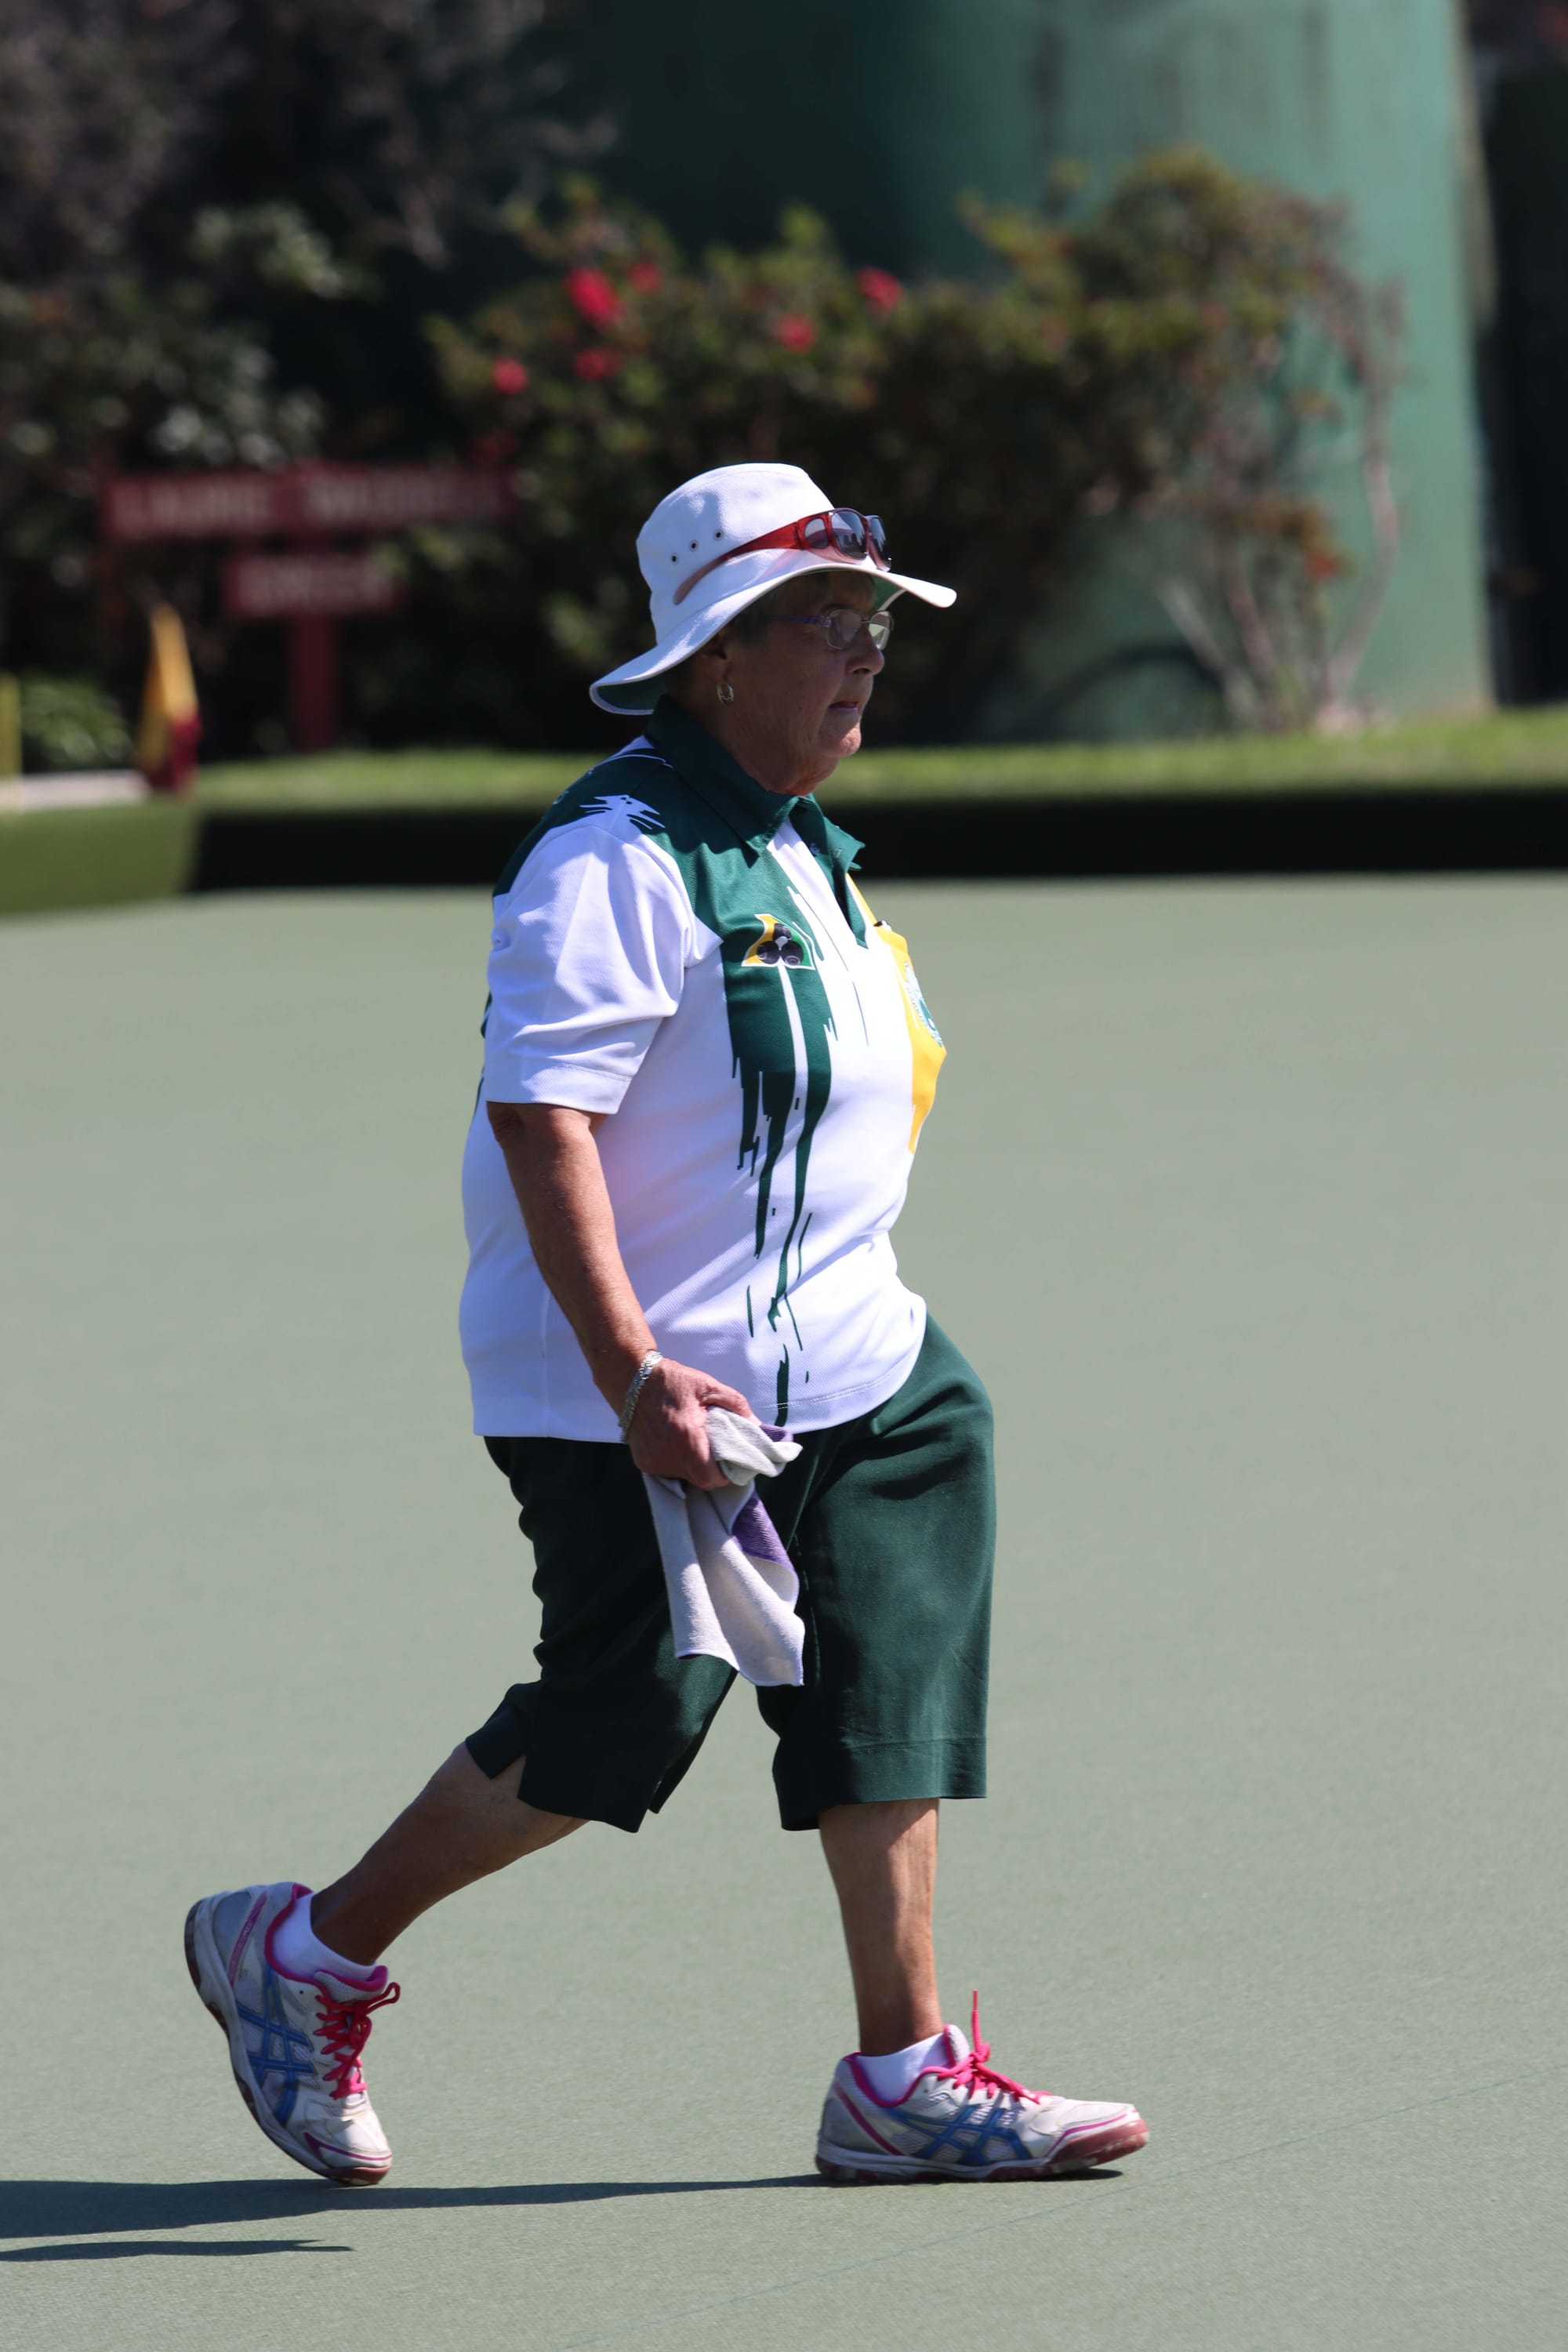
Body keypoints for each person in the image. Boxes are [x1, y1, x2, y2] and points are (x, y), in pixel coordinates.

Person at [185, 462, 1148, 2187]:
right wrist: (636, 1373)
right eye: (822, 627)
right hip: (637, 1387)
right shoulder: (610, 857)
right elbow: (542, 1119)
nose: (863, 655)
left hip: (857, 1368)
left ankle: (902, 2076)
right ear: (715, 657)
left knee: (885, 1682)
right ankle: (303, 1953)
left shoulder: (801, 847)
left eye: (871, 623)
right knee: (627, 1712)